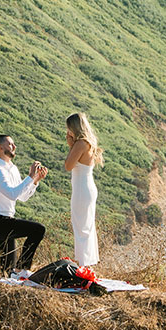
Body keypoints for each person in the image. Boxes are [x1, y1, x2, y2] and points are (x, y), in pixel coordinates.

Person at [0, 134, 48, 274]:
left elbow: (22, 197)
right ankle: (22, 269)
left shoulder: (12, 169)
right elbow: (12, 193)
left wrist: (35, 181)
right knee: (38, 229)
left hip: (6, 221)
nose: (14, 147)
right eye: (11, 144)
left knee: (5, 270)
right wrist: (30, 176)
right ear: (0, 148)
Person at [63, 111, 104, 268]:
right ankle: (87, 263)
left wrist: (70, 145)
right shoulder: (88, 143)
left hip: (82, 188)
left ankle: (83, 264)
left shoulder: (80, 144)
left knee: (81, 227)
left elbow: (68, 165)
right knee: (86, 226)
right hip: (87, 187)